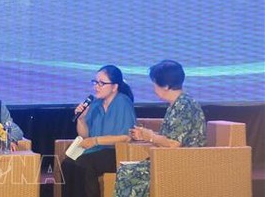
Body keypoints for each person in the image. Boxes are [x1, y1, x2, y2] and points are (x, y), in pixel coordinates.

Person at [115, 60, 206, 197]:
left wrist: (149, 136)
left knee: (128, 173)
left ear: (166, 86)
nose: (153, 88)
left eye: (155, 83)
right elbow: (171, 137)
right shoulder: (176, 104)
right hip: (171, 159)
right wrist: (146, 135)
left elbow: (174, 143)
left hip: (185, 163)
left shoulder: (184, 105)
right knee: (126, 169)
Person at [61, 65, 136, 197]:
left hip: (115, 151)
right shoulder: (95, 104)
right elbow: (85, 136)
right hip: (95, 151)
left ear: (114, 87)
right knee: (67, 163)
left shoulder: (123, 102)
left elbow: (126, 137)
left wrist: (96, 141)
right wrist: (82, 119)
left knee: (84, 163)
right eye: (95, 82)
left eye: (102, 83)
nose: (96, 86)